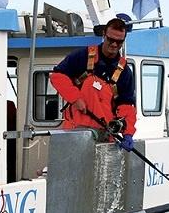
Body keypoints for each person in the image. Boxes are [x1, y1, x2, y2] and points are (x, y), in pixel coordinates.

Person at [50, 17, 137, 150]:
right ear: (104, 35)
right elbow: (57, 76)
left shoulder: (124, 72)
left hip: (105, 136)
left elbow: (126, 107)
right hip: (74, 133)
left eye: (119, 42)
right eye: (111, 39)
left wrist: (128, 134)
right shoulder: (82, 56)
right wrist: (76, 98)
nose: (114, 44)